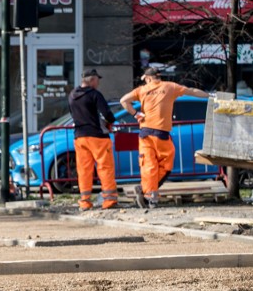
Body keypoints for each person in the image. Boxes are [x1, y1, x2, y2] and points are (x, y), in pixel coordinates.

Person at [120, 67, 209, 209]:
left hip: (145, 134)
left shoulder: (142, 90)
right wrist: (209, 96)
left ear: (148, 78)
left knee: (149, 166)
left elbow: (124, 100)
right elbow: (191, 91)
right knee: (166, 166)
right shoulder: (170, 87)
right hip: (161, 134)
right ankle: (148, 194)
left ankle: (149, 194)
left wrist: (136, 114)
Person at [67, 68, 118, 211]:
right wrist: (111, 121)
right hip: (97, 136)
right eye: (98, 80)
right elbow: (107, 113)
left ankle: (85, 201)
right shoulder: (94, 94)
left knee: (84, 170)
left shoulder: (72, 95)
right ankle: (109, 200)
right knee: (105, 167)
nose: (98, 83)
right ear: (93, 80)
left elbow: (72, 113)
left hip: (80, 137)